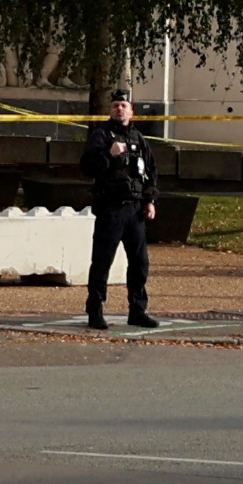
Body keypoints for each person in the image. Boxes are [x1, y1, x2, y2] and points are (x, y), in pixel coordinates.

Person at [81, 93, 162, 330]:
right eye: (115, 106)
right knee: (102, 261)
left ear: (131, 111)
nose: (120, 109)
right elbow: (87, 167)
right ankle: (95, 311)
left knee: (139, 263)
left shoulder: (139, 139)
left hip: (135, 210)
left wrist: (150, 201)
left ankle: (137, 310)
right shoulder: (102, 136)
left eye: (124, 106)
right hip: (111, 208)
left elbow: (151, 172)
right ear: (110, 110)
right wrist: (109, 154)